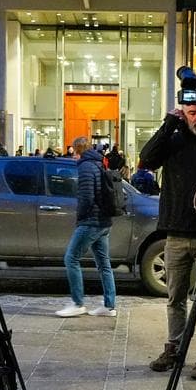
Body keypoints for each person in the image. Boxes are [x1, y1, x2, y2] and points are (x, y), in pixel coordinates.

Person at [141, 98, 196, 380]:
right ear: (184, 114)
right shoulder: (173, 139)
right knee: (175, 298)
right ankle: (173, 348)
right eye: (192, 112)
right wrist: (169, 123)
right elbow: (147, 158)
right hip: (175, 234)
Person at [56, 136, 118, 319]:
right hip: (104, 221)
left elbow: (86, 197)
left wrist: (80, 217)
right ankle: (109, 306)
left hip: (91, 221)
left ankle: (77, 303)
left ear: (77, 150)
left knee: (71, 258)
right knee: (104, 264)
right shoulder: (99, 163)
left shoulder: (85, 166)